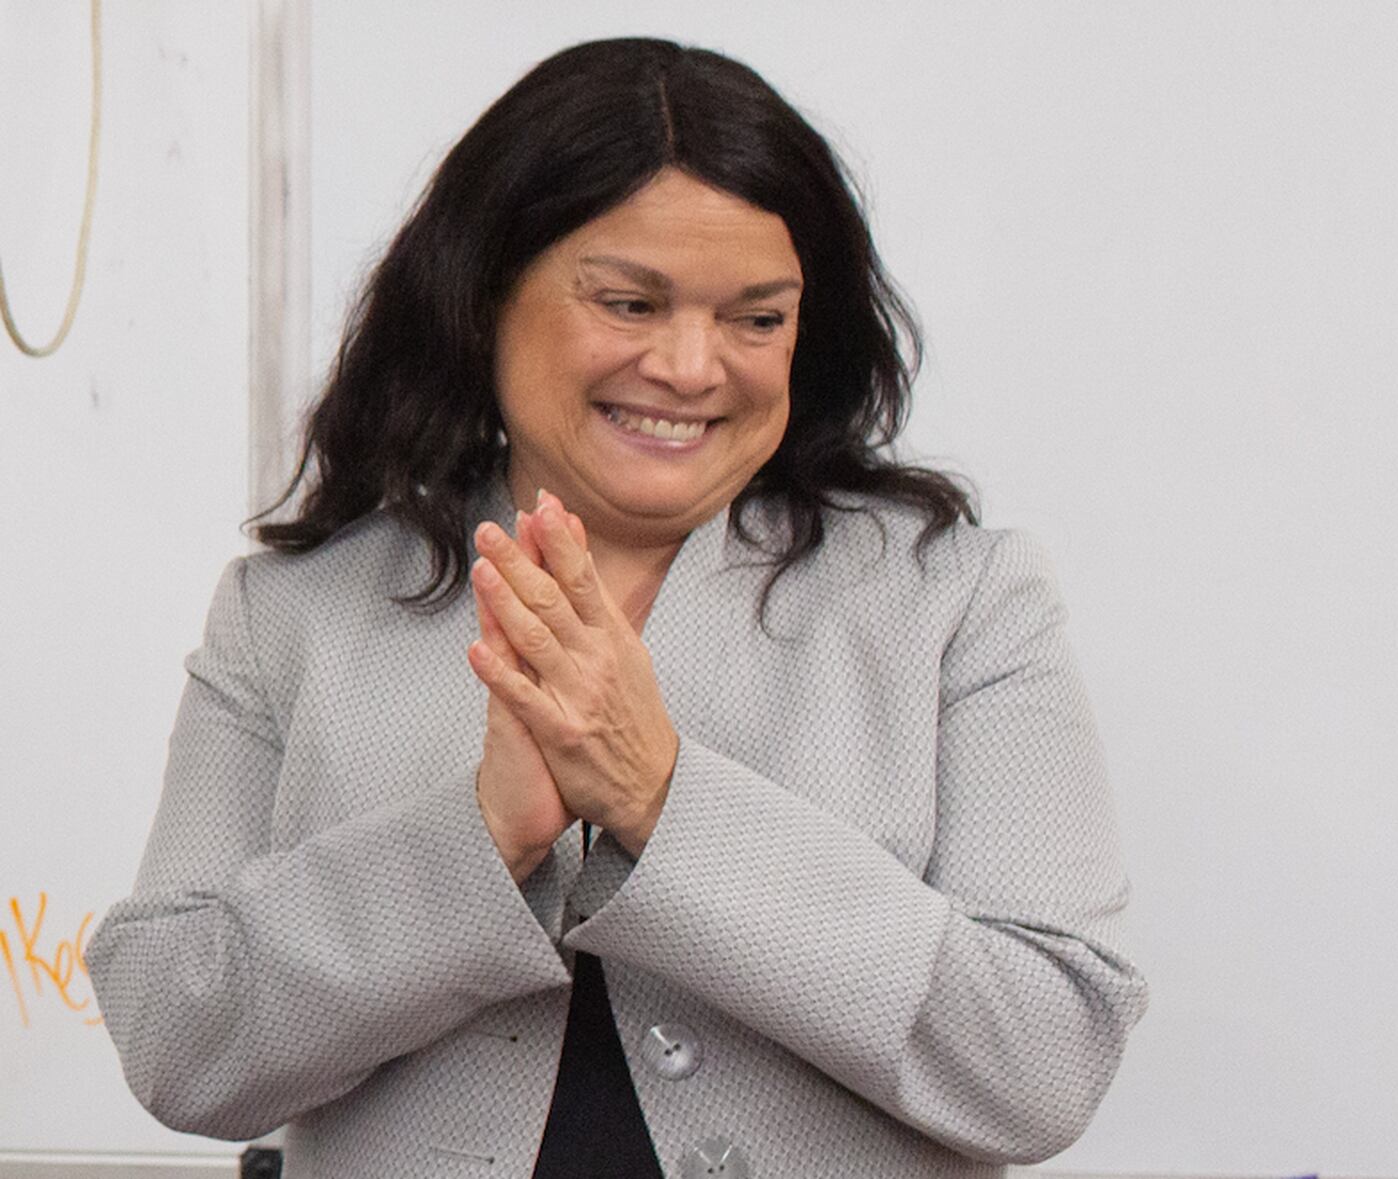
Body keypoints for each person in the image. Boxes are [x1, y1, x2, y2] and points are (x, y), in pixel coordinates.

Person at [88, 37, 1148, 1179]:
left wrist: (661, 799)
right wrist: (482, 842)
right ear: (484, 297)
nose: (693, 367)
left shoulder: (960, 599)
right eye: (630, 302)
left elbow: (1046, 1060)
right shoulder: (293, 613)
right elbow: (177, 1045)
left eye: (757, 319)